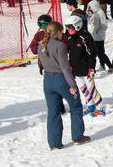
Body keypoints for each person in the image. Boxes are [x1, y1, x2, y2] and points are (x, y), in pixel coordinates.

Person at [37, 20, 89, 148]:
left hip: (48, 80)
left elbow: (40, 63)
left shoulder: (41, 45)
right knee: (75, 105)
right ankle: (78, 136)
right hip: (61, 79)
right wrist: (72, 85)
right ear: (58, 32)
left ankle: (54, 142)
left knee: (53, 111)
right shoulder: (60, 46)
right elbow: (65, 68)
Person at [66, 14, 105, 117]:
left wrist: (91, 68)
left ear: (77, 25)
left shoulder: (85, 36)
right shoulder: (70, 37)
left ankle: (101, 107)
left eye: (70, 27)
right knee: (83, 89)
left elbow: (92, 53)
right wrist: (70, 66)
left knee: (91, 89)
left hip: (86, 68)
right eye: (67, 27)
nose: (68, 29)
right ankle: (91, 106)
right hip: (76, 69)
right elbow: (70, 53)